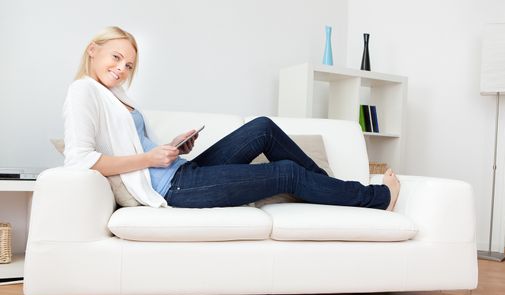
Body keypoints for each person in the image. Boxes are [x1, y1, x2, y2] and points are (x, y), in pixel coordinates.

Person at [63, 26, 400, 210]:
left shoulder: (117, 96)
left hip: (183, 170)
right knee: (286, 172)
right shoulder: (84, 91)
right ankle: (377, 198)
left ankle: (326, 186)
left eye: (128, 65)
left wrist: (171, 148)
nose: (121, 69)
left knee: (262, 128)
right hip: (175, 189)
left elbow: (137, 147)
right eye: (116, 58)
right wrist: (150, 158)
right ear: (93, 49)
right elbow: (81, 160)